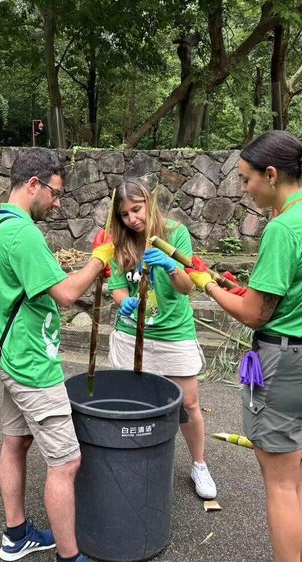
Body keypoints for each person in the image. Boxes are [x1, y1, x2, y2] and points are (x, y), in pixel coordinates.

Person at [186, 130, 302, 562]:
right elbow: (287, 295)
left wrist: (205, 284)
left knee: (279, 485)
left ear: (272, 175)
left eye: (246, 179)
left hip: (284, 367)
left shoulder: (284, 228)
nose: (244, 189)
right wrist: (241, 288)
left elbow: (256, 315)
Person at [0, 149, 113, 562]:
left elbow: (46, 286)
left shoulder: (1, 225)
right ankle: (69, 558)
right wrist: (99, 259)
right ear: (34, 185)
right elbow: (65, 293)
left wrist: (89, 272)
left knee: (16, 442)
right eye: (55, 194)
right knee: (66, 464)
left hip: (11, 356)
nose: (57, 203)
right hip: (33, 367)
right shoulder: (23, 233)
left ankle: (17, 535)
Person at [101, 179, 217, 500]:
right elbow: (117, 287)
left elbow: (186, 287)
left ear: (149, 203)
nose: (132, 219)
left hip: (173, 333)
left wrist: (170, 265)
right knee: (131, 403)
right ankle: (133, 460)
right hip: (131, 334)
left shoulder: (175, 234)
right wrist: (123, 302)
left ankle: (199, 464)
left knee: (189, 403)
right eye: (124, 214)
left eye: (136, 210)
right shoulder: (120, 241)